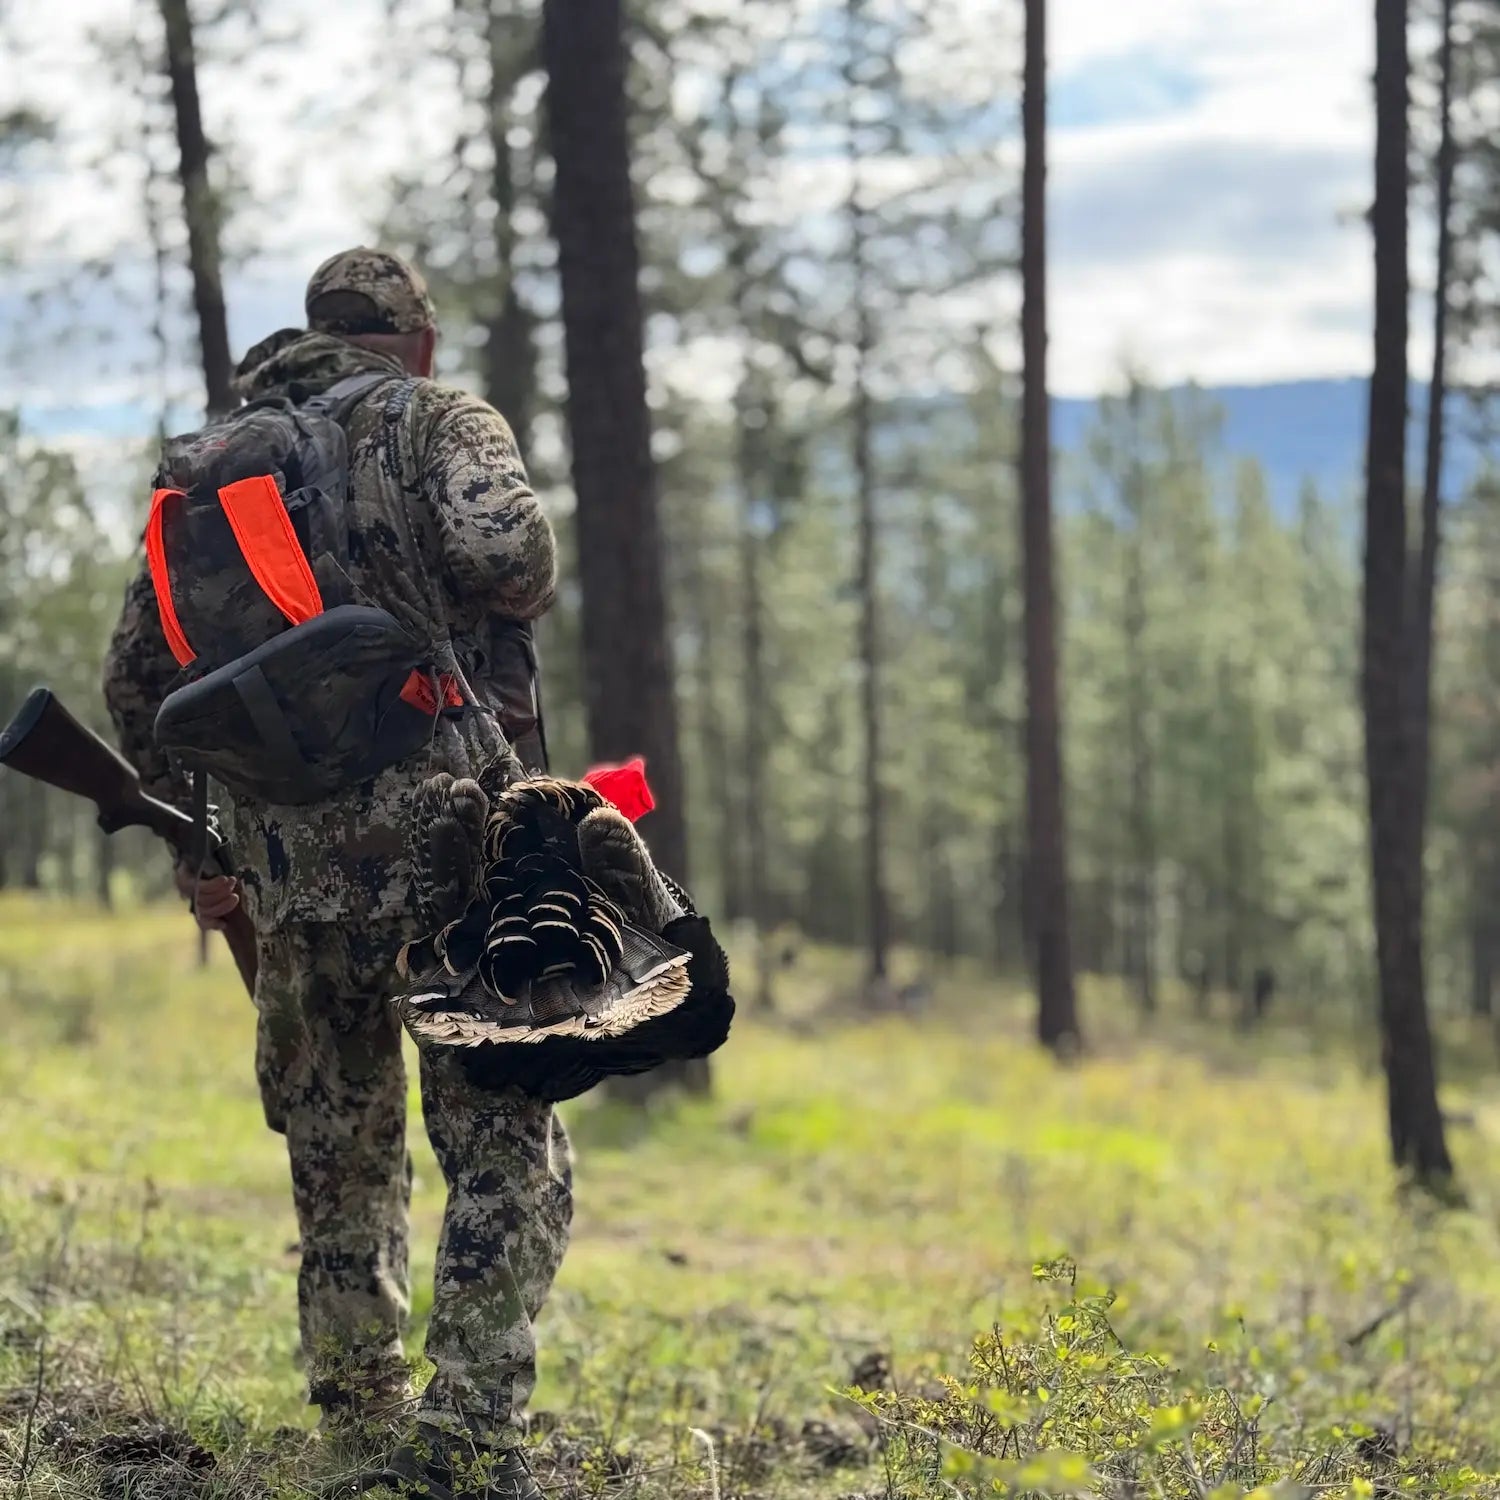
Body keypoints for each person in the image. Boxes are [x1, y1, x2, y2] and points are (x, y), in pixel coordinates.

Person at [103, 248, 563, 1500]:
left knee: (337, 1142)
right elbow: (508, 560)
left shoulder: (204, 468)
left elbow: (139, 685)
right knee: (498, 1131)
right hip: (448, 838)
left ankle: (356, 1418)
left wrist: (217, 840)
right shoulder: (439, 418)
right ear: (413, 338)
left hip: (288, 867)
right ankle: (466, 1439)